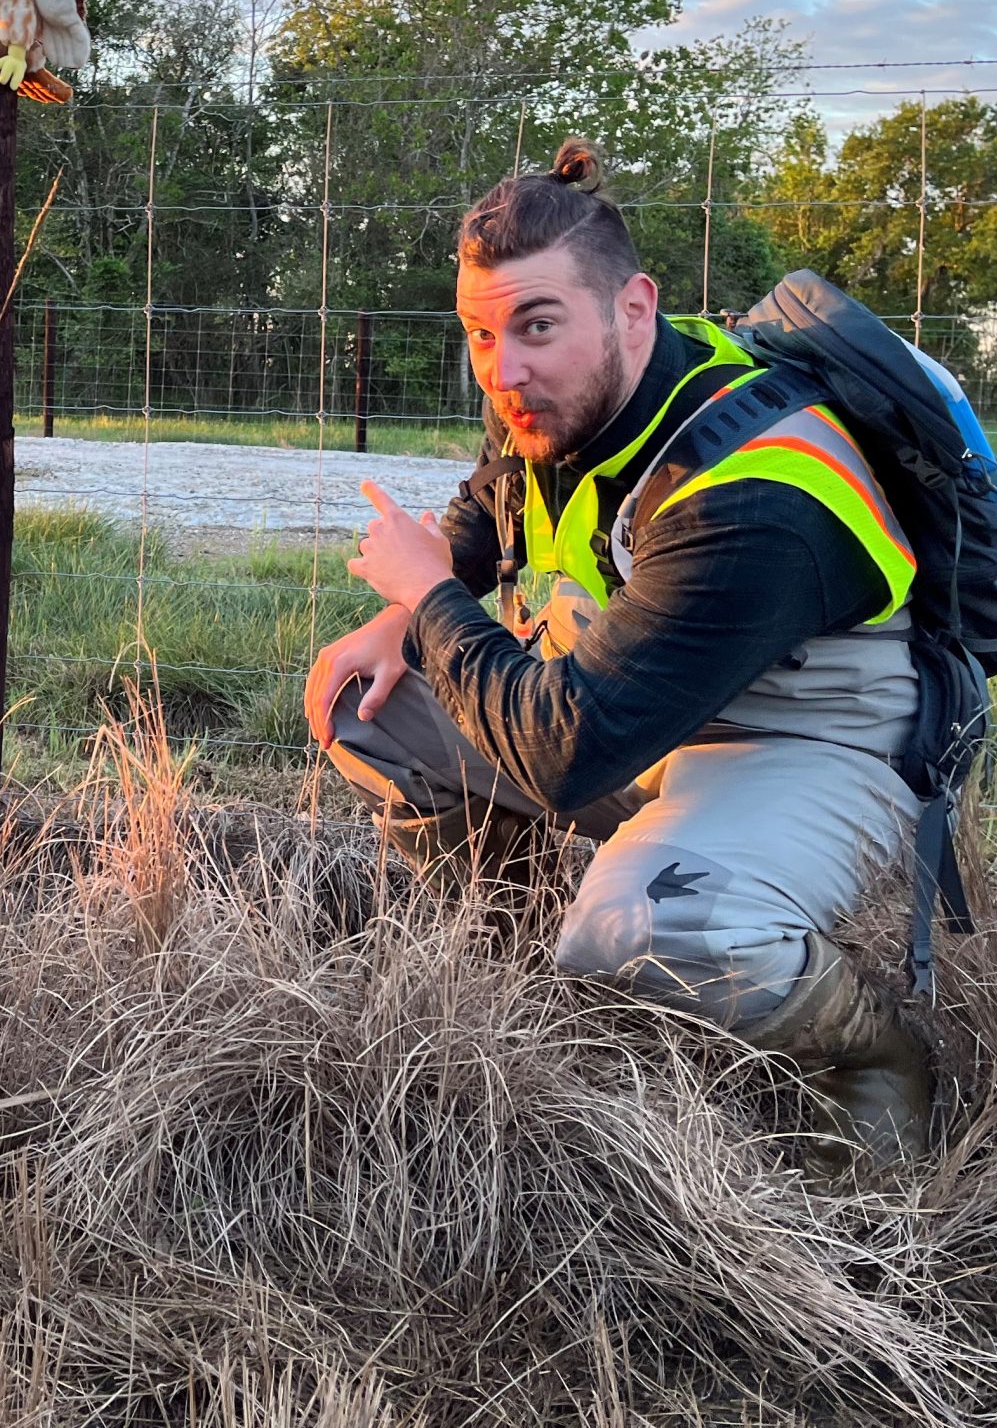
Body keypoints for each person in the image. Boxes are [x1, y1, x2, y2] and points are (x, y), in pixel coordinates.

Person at [304, 140, 933, 1164]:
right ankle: (522, 981)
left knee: (642, 928)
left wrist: (426, 598)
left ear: (633, 309)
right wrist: (410, 612)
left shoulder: (760, 489)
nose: (502, 371)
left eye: (536, 325)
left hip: (802, 740)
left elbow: (566, 754)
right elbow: (493, 503)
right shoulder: (561, 394)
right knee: (360, 702)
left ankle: (874, 1062)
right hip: (635, 696)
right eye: (479, 333)